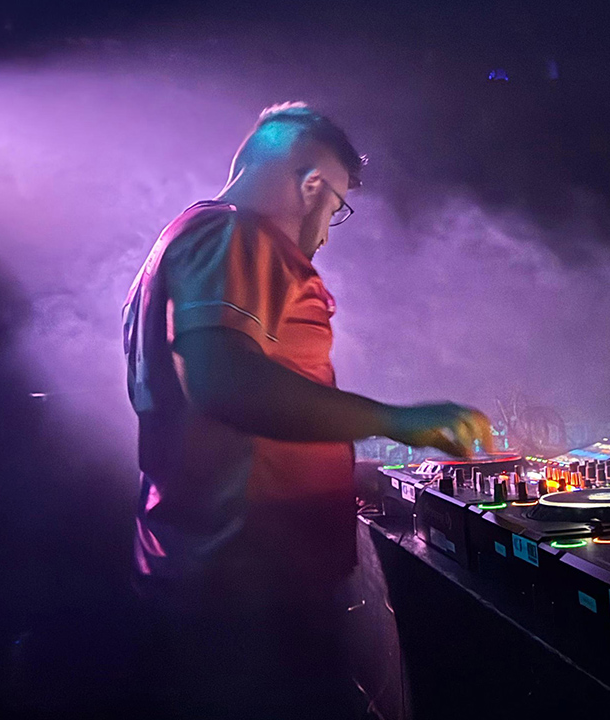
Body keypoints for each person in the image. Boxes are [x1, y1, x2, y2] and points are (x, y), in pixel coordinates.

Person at [121, 102, 492, 718]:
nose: (325, 234)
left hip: (210, 575)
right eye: (337, 207)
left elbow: (216, 422)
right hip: (252, 588)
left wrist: (343, 467)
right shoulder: (237, 235)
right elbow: (225, 384)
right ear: (312, 185)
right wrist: (397, 421)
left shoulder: (178, 245)